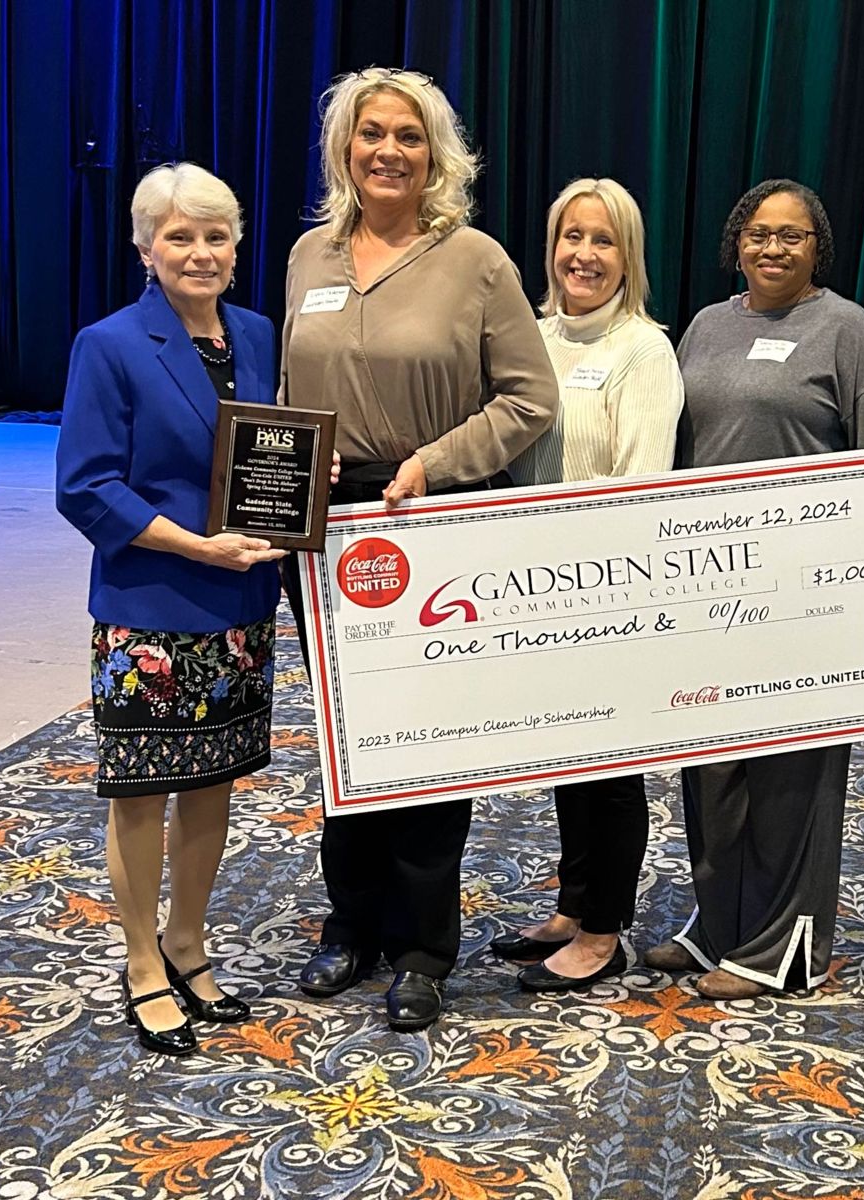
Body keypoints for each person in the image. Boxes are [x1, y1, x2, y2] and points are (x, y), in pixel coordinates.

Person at [279, 67, 558, 1031]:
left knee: (428, 745)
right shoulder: (307, 256)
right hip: (323, 532)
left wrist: (436, 464)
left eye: (407, 136)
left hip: (428, 522)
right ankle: (350, 925)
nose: (387, 151)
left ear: (435, 154)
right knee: (346, 736)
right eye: (370, 134)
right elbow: (286, 397)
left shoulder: (477, 260)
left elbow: (530, 400)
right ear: (344, 150)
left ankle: (425, 946)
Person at [642, 178, 864, 1000]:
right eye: (759, 233)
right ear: (737, 240)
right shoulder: (707, 326)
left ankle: (782, 947)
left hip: (805, 596)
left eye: (792, 236)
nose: (774, 248)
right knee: (712, 770)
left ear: (817, 246)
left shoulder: (848, 329)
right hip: (707, 591)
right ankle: (717, 923)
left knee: (792, 777)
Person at [56, 164, 290, 1056]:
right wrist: (197, 545)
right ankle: (143, 962)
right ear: (145, 247)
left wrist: (309, 477)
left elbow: (267, 452)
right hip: (150, 609)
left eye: (216, 235)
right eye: (179, 236)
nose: (200, 252)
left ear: (237, 246)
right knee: (143, 796)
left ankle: (190, 944)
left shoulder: (258, 335)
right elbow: (85, 488)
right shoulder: (109, 344)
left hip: (240, 605)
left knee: (212, 786)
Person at [492, 178, 684, 993]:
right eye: (573, 236)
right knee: (566, 751)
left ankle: (603, 928)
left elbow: (643, 482)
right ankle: (574, 905)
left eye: (604, 241)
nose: (584, 254)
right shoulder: (530, 338)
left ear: (628, 256)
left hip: (604, 589)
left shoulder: (644, 349)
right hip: (534, 585)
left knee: (607, 767)